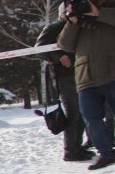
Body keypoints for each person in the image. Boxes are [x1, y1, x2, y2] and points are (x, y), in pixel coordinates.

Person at [58, 0, 115, 170]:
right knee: (92, 118)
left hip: (112, 73)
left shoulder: (110, 11)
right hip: (86, 78)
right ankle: (106, 154)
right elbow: (65, 45)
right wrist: (72, 22)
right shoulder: (79, 19)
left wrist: (99, 13)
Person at [35, 9, 93, 161]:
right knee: (73, 113)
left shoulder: (79, 27)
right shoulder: (54, 28)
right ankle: (70, 151)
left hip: (81, 74)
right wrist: (58, 56)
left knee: (81, 113)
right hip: (63, 76)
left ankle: (77, 147)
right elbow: (39, 50)